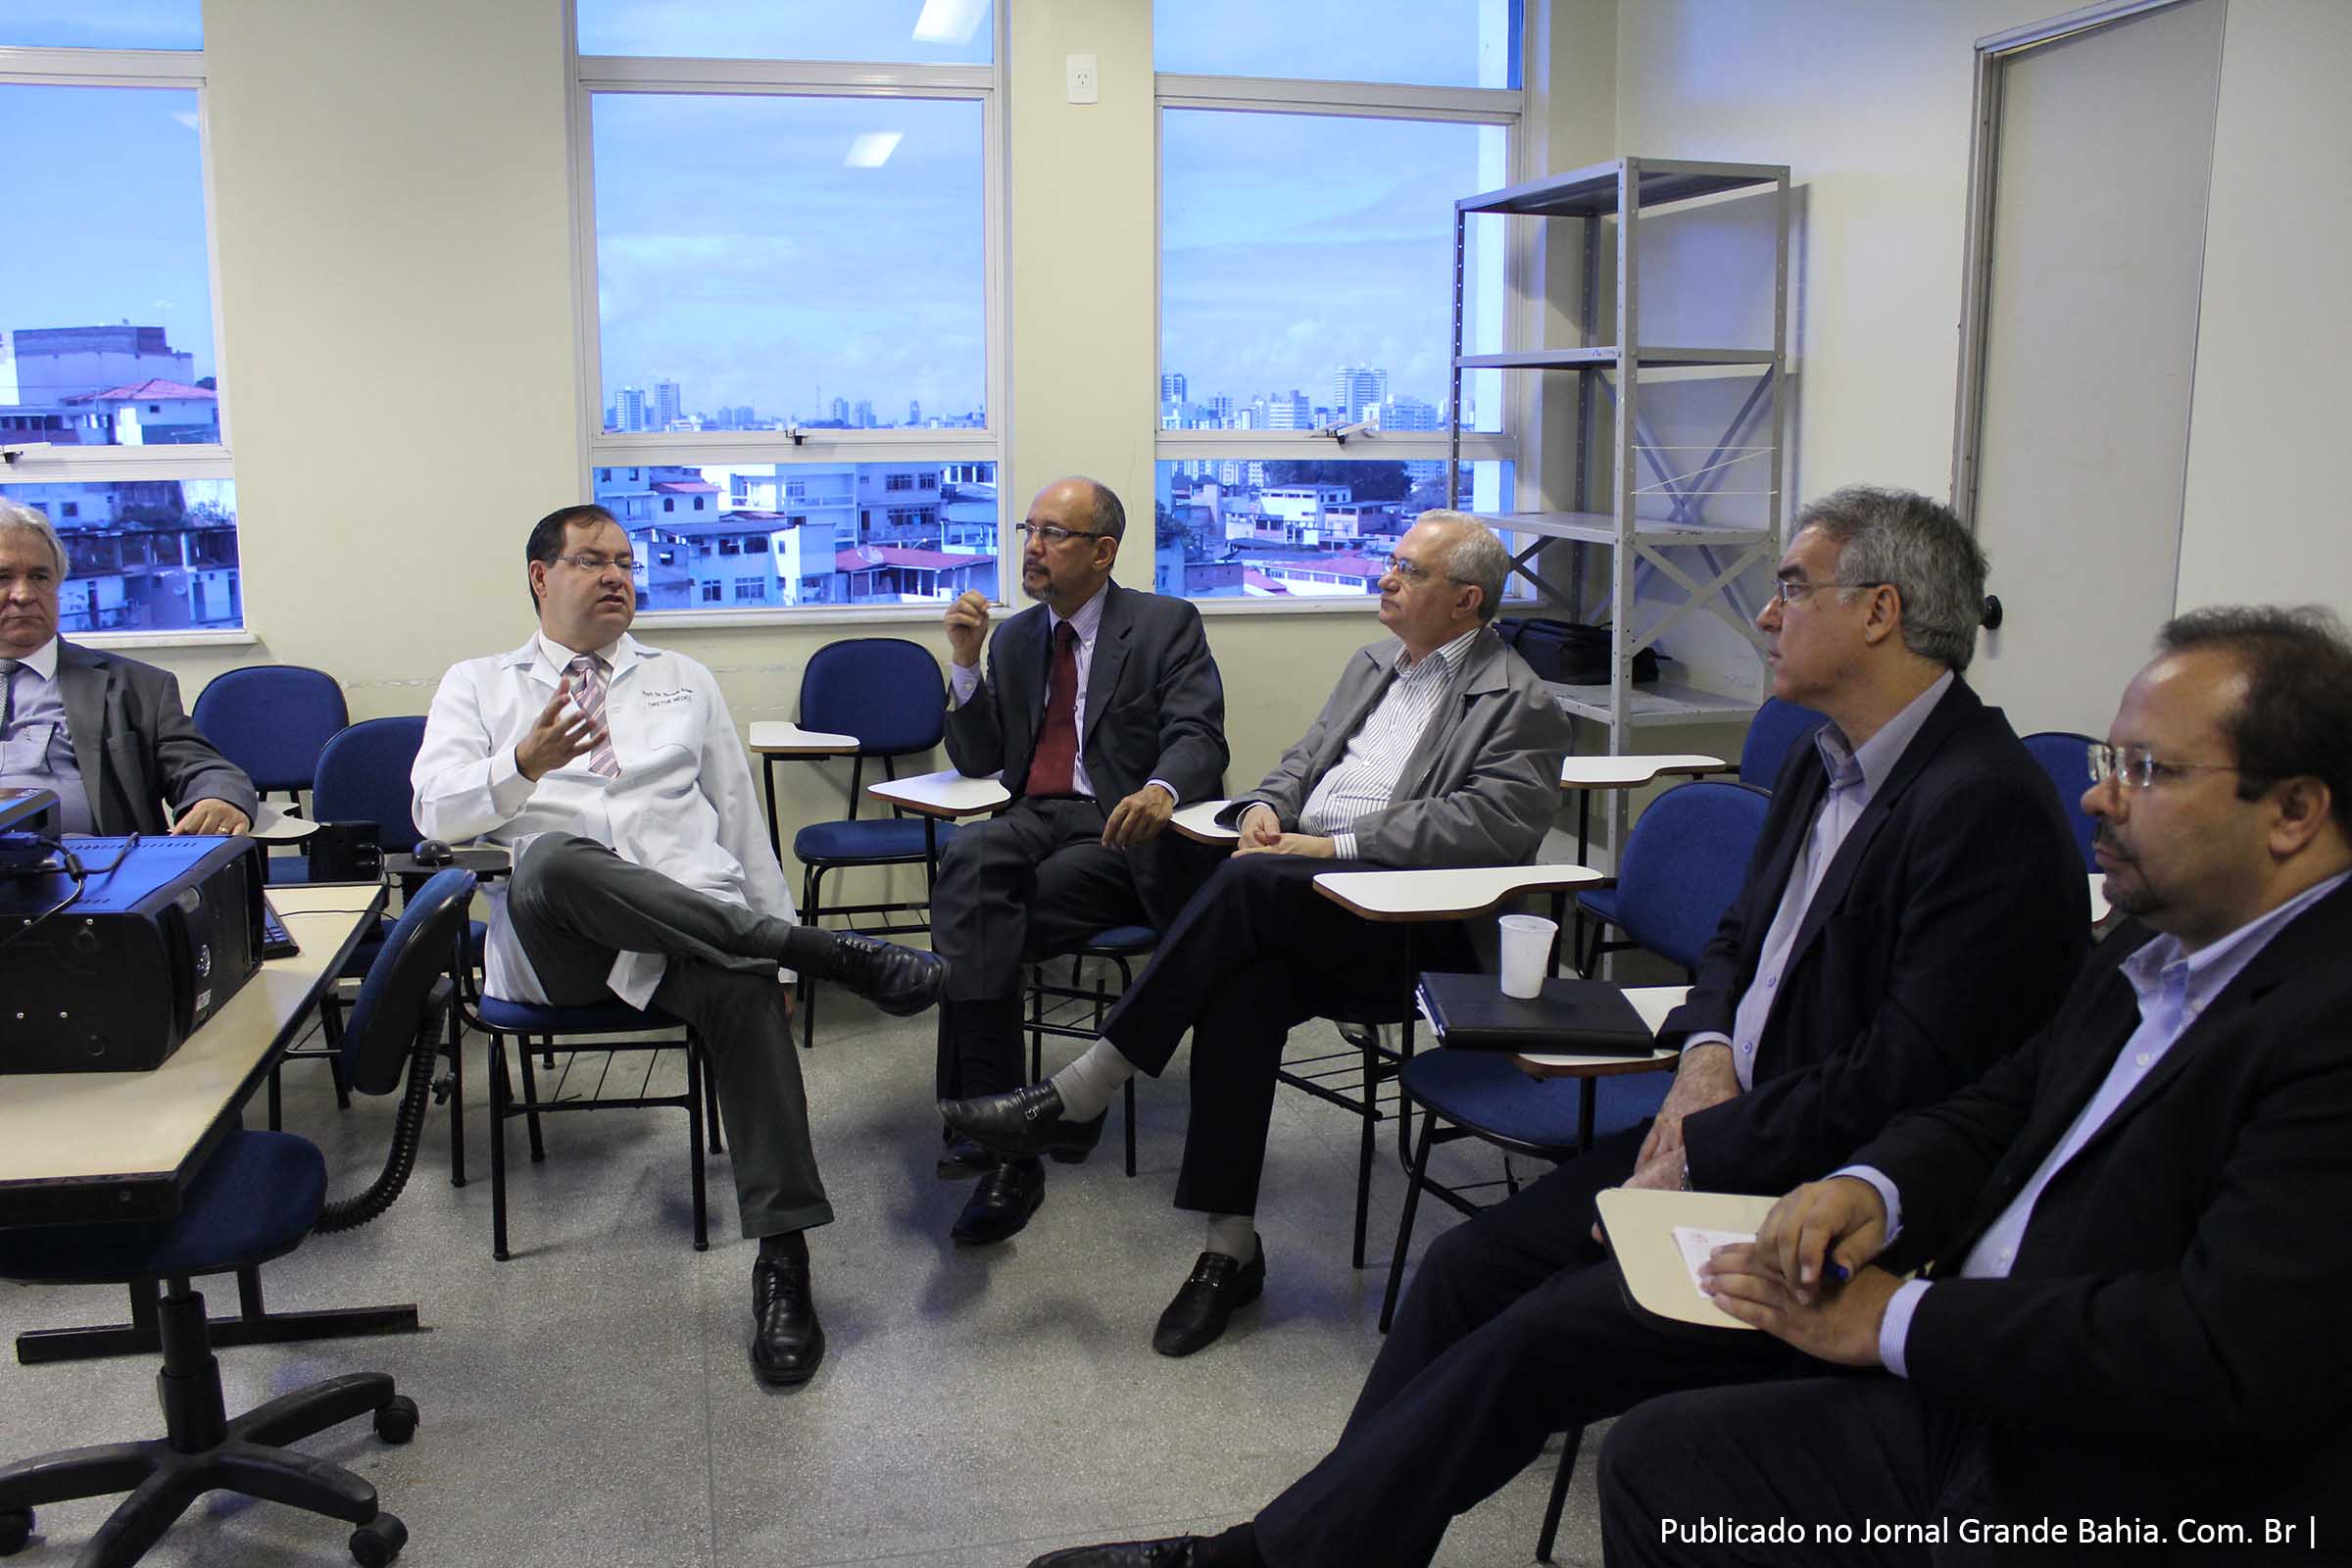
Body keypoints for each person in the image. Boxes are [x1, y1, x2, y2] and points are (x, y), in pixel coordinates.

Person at [1023, 486, 2092, 1566]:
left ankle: (1261, 1557)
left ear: (1881, 611)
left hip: (1820, 1194)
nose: (1766, 618)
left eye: (1790, 589)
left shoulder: (1980, 804)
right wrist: (1706, 1060)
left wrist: (1705, 1140)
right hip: (1719, 1128)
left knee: (1528, 1340)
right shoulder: (1833, 764)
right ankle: (1329, 1546)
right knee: (1456, 1273)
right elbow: (1735, 946)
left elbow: (1909, 1078)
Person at [1599, 605, 2352, 1564]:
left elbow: (2216, 1351)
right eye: (2106, 764)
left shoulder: (2328, 1021)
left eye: (2147, 771)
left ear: (2295, 811)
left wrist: (1892, 1318)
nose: (2098, 801)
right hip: (1982, 1383)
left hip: (2130, 1475)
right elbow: (2010, 1099)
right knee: (1664, 1464)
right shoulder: (2155, 936)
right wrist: (1871, 1187)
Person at [945, 509, 1577, 1358]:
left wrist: (1331, 843)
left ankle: (1088, 1084)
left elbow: (1488, 826)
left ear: (1467, 601)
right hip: (1307, 895)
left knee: (1240, 892)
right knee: (1241, 985)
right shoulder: (1373, 665)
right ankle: (1228, 1247)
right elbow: (1304, 756)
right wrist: (1268, 809)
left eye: (1408, 572)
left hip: (1411, 932)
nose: (1385, 579)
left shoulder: (1520, 700)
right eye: (1391, 563)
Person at [412, 502, 944, 1389]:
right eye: (591, 562)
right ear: (541, 577)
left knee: (738, 987)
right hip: (560, 944)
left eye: (625, 561)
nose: (617, 576)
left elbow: (740, 826)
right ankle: (827, 950)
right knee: (551, 860)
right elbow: (431, 814)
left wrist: (768, 962)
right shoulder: (480, 685)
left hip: (694, 936)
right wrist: (524, 766)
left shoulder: (684, 679)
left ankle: (784, 1263)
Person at [928, 476, 1227, 1245]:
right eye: (1030, 528)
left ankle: (989, 1136)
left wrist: (1163, 788)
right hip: (1034, 813)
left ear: (1102, 551)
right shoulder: (1020, 637)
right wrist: (965, 665)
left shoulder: (1164, 624)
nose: (1033, 546)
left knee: (981, 923)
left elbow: (1200, 735)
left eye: (1054, 533)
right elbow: (983, 758)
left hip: (1117, 831)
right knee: (969, 863)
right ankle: (1008, 1126)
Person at [0, 499, 254, 838]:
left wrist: (217, 797)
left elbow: (201, 768)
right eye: (3, 577)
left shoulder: (137, 687)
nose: (23, 594)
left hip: (91, 872)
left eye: (39, 576)